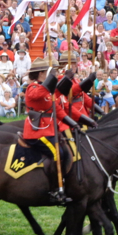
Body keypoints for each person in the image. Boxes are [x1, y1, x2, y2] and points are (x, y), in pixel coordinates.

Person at [22, 58, 79, 204]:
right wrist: (53, 78)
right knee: (58, 153)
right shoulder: (32, 88)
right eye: (46, 73)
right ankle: (54, 189)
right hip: (36, 132)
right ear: (41, 73)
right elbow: (38, 95)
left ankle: (64, 183)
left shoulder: (47, 90)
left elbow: (58, 110)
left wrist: (74, 123)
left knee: (66, 152)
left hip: (49, 130)